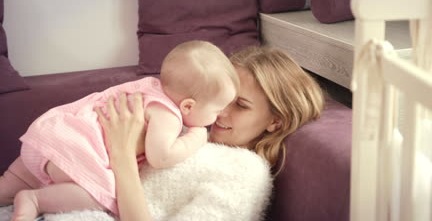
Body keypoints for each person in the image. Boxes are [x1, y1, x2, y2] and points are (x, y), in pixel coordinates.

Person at [0, 40, 239, 221]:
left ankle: (8, 188)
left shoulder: (146, 87)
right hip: (78, 150)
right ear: (188, 105)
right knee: (103, 195)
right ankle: (35, 200)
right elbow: (160, 156)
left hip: (49, 135)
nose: (218, 117)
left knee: (10, 183)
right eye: (217, 111)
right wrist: (195, 138)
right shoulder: (167, 114)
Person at [98, 45, 325, 221]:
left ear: (275, 121)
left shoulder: (244, 172)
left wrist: (123, 156)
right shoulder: (185, 130)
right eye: (221, 99)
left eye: (241, 105)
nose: (220, 112)